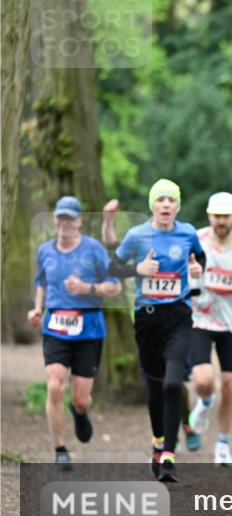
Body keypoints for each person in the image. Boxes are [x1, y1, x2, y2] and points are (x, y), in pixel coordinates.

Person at [108, 179, 205, 482]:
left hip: (178, 316)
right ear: (153, 205)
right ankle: (158, 443)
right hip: (147, 318)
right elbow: (114, 267)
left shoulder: (188, 232)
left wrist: (197, 269)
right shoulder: (137, 236)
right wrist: (138, 270)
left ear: (177, 206)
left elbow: (199, 256)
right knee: (155, 385)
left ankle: (169, 457)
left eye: (171, 200)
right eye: (160, 199)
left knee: (172, 384)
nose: (165, 205)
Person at [29, 196, 122, 469]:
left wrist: (87, 289)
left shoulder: (93, 249)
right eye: (62, 217)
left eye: (71, 218)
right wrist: (37, 309)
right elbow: (41, 283)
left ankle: (80, 412)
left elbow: (114, 286)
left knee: (81, 399)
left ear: (80, 221)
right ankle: (60, 449)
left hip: (89, 329)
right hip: (56, 326)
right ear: (55, 220)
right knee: (55, 386)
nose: (66, 223)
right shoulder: (45, 250)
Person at [186, 192, 232, 467]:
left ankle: (222, 445)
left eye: (225, 216)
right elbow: (179, 276)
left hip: (231, 323)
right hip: (200, 320)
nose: (220, 221)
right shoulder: (195, 240)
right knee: (204, 380)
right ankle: (205, 404)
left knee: (230, 386)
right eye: (216, 216)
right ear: (209, 215)